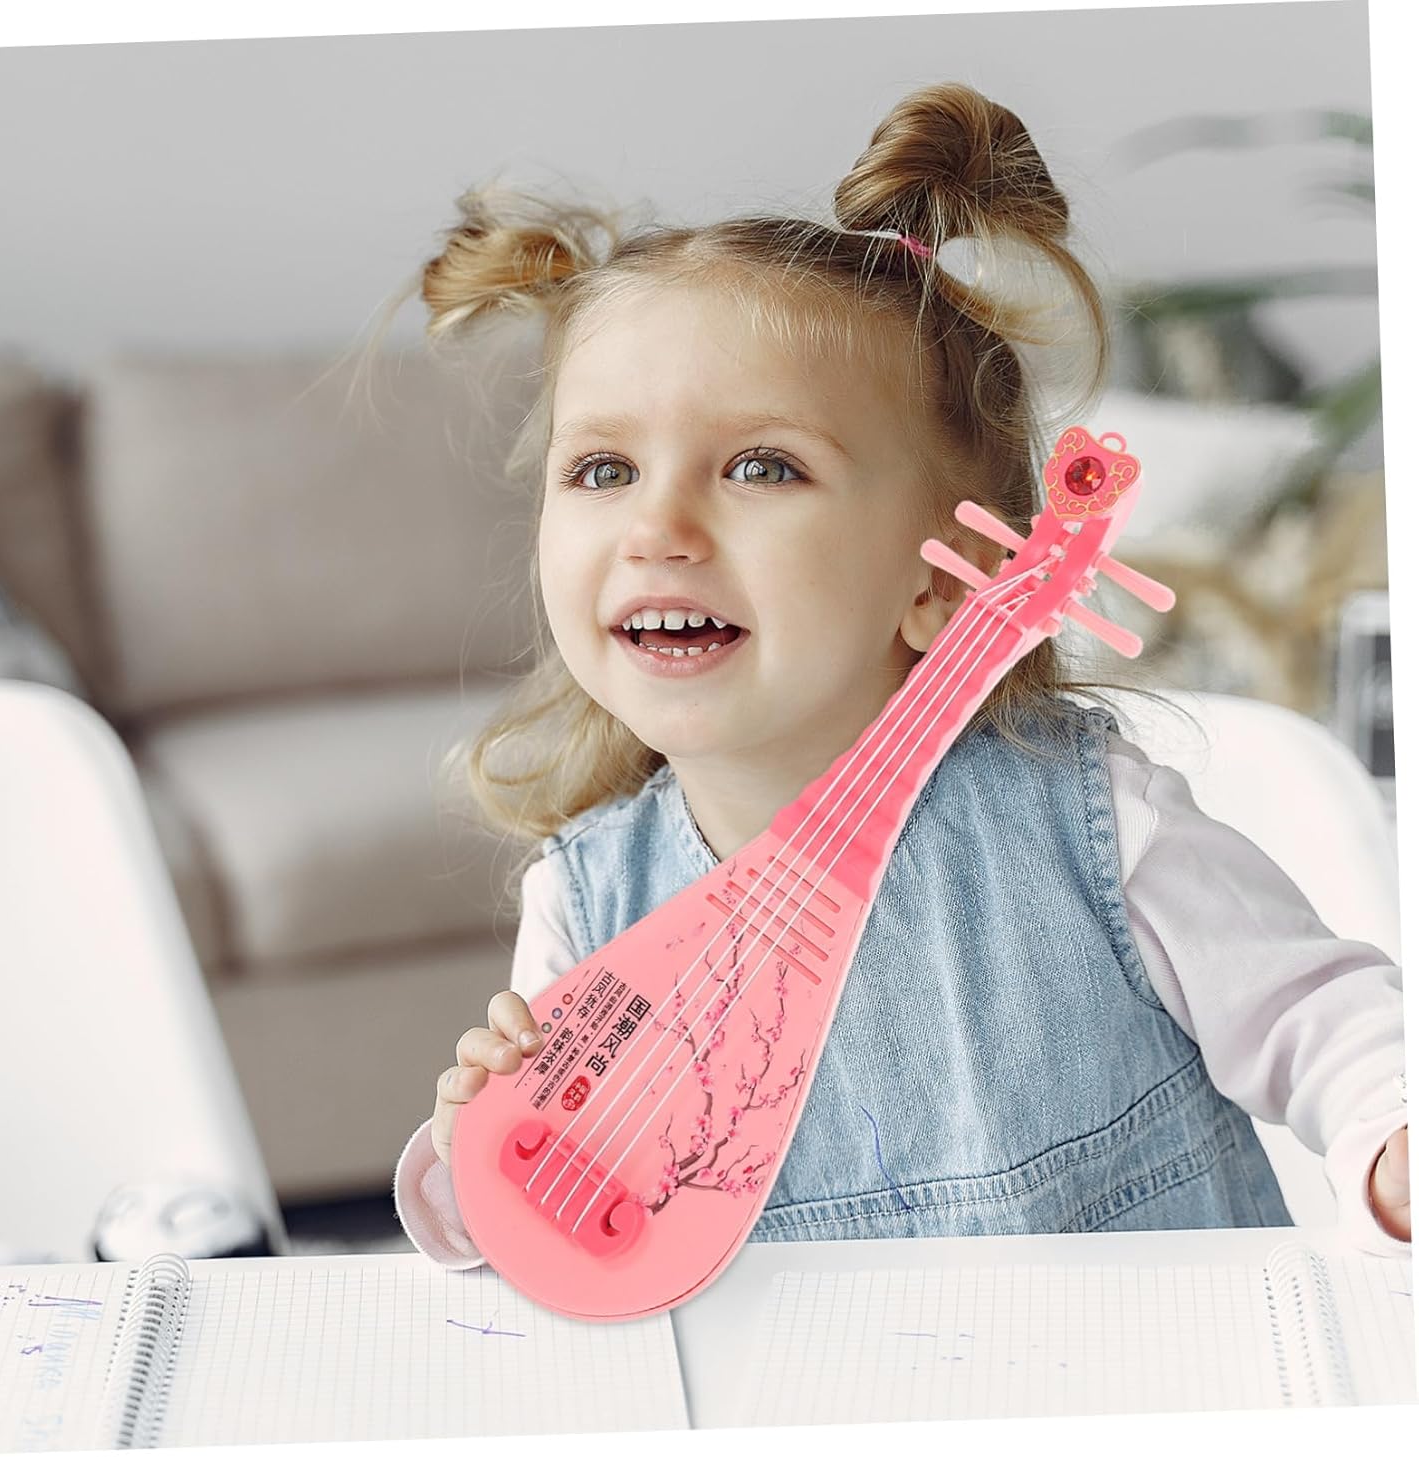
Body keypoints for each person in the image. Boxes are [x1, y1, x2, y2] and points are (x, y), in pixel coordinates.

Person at [377, 81, 1408, 1268]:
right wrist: (482, 1162)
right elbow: (581, 1228)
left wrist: (1390, 1139)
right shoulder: (590, 901)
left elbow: (1321, 1020)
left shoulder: (1091, 825)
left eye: (762, 467)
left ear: (947, 576)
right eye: (603, 470)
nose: (657, 528)